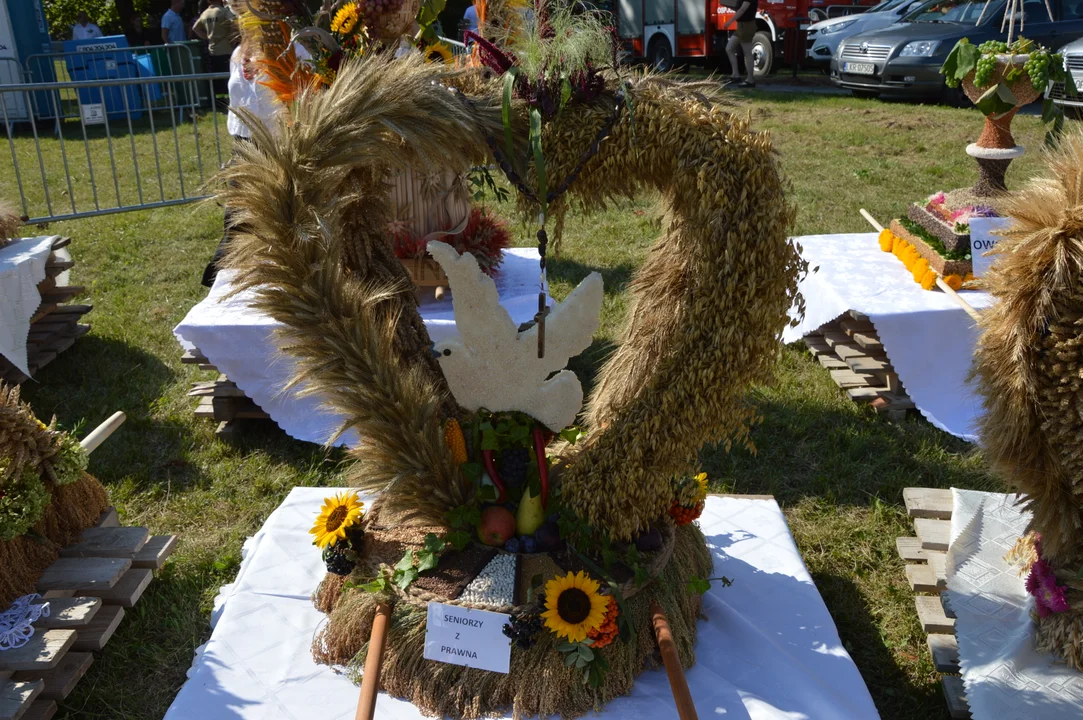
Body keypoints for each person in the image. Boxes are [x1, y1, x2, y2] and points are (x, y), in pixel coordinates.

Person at [202, 39, 280, 287]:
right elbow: (236, 104)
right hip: (244, 146)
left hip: (279, 147)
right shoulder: (237, 53)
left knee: (277, 220)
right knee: (237, 219)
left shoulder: (289, 47)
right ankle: (228, 284)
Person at [192, 0, 237, 95]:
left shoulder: (204, 14)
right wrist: (232, 38)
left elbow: (195, 28)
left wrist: (207, 38)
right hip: (226, 48)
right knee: (228, 76)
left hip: (212, 49)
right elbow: (234, 22)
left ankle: (218, 99)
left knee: (217, 76)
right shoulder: (223, 11)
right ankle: (230, 96)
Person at [725, 0, 758, 89]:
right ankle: (736, 75)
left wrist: (730, 21)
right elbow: (740, 9)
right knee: (729, 48)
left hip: (747, 26)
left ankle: (750, 80)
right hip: (741, 26)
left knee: (747, 53)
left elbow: (743, 9)